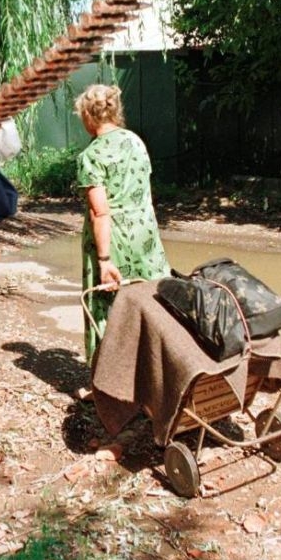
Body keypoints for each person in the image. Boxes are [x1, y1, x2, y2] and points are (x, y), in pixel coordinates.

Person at [75, 83, 170, 364]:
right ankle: (153, 378)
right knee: (151, 301)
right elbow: (145, 192)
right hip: (145, 232)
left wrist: (104, 260)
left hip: (113, 238)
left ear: (87, 115)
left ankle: (107, 387)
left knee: (106, 306)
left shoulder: (90, 156)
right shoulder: (136, 142)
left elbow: (100, 213)